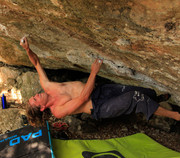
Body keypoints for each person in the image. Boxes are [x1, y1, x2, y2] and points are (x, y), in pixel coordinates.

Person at [20, 37, 180, 127]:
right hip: (100, 107)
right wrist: (94, 72)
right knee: (135, 97)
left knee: (143, 92)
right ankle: (175, 116)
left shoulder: (47, 86)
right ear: (41, 107)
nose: (36, 95)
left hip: (101, 91)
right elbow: (83, 98)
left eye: (33, 96)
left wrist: (27, 49)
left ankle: (156, 99)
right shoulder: (58, 111)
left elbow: (36, 63)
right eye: (35, 99)